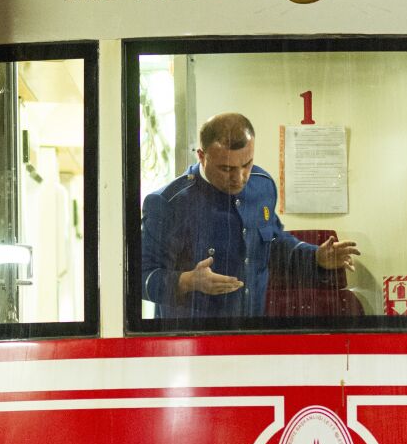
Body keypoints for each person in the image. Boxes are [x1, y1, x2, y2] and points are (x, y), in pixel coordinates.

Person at [141, 111, 360, 320]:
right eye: (226, 169)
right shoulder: (167, 203)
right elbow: (139, 279)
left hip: (253, 332)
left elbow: (273, 243)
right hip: (194, 341)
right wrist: (187, 281)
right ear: (201, 156)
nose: (240, 177)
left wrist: (316, 257)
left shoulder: (262, 185)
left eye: (247, 164)